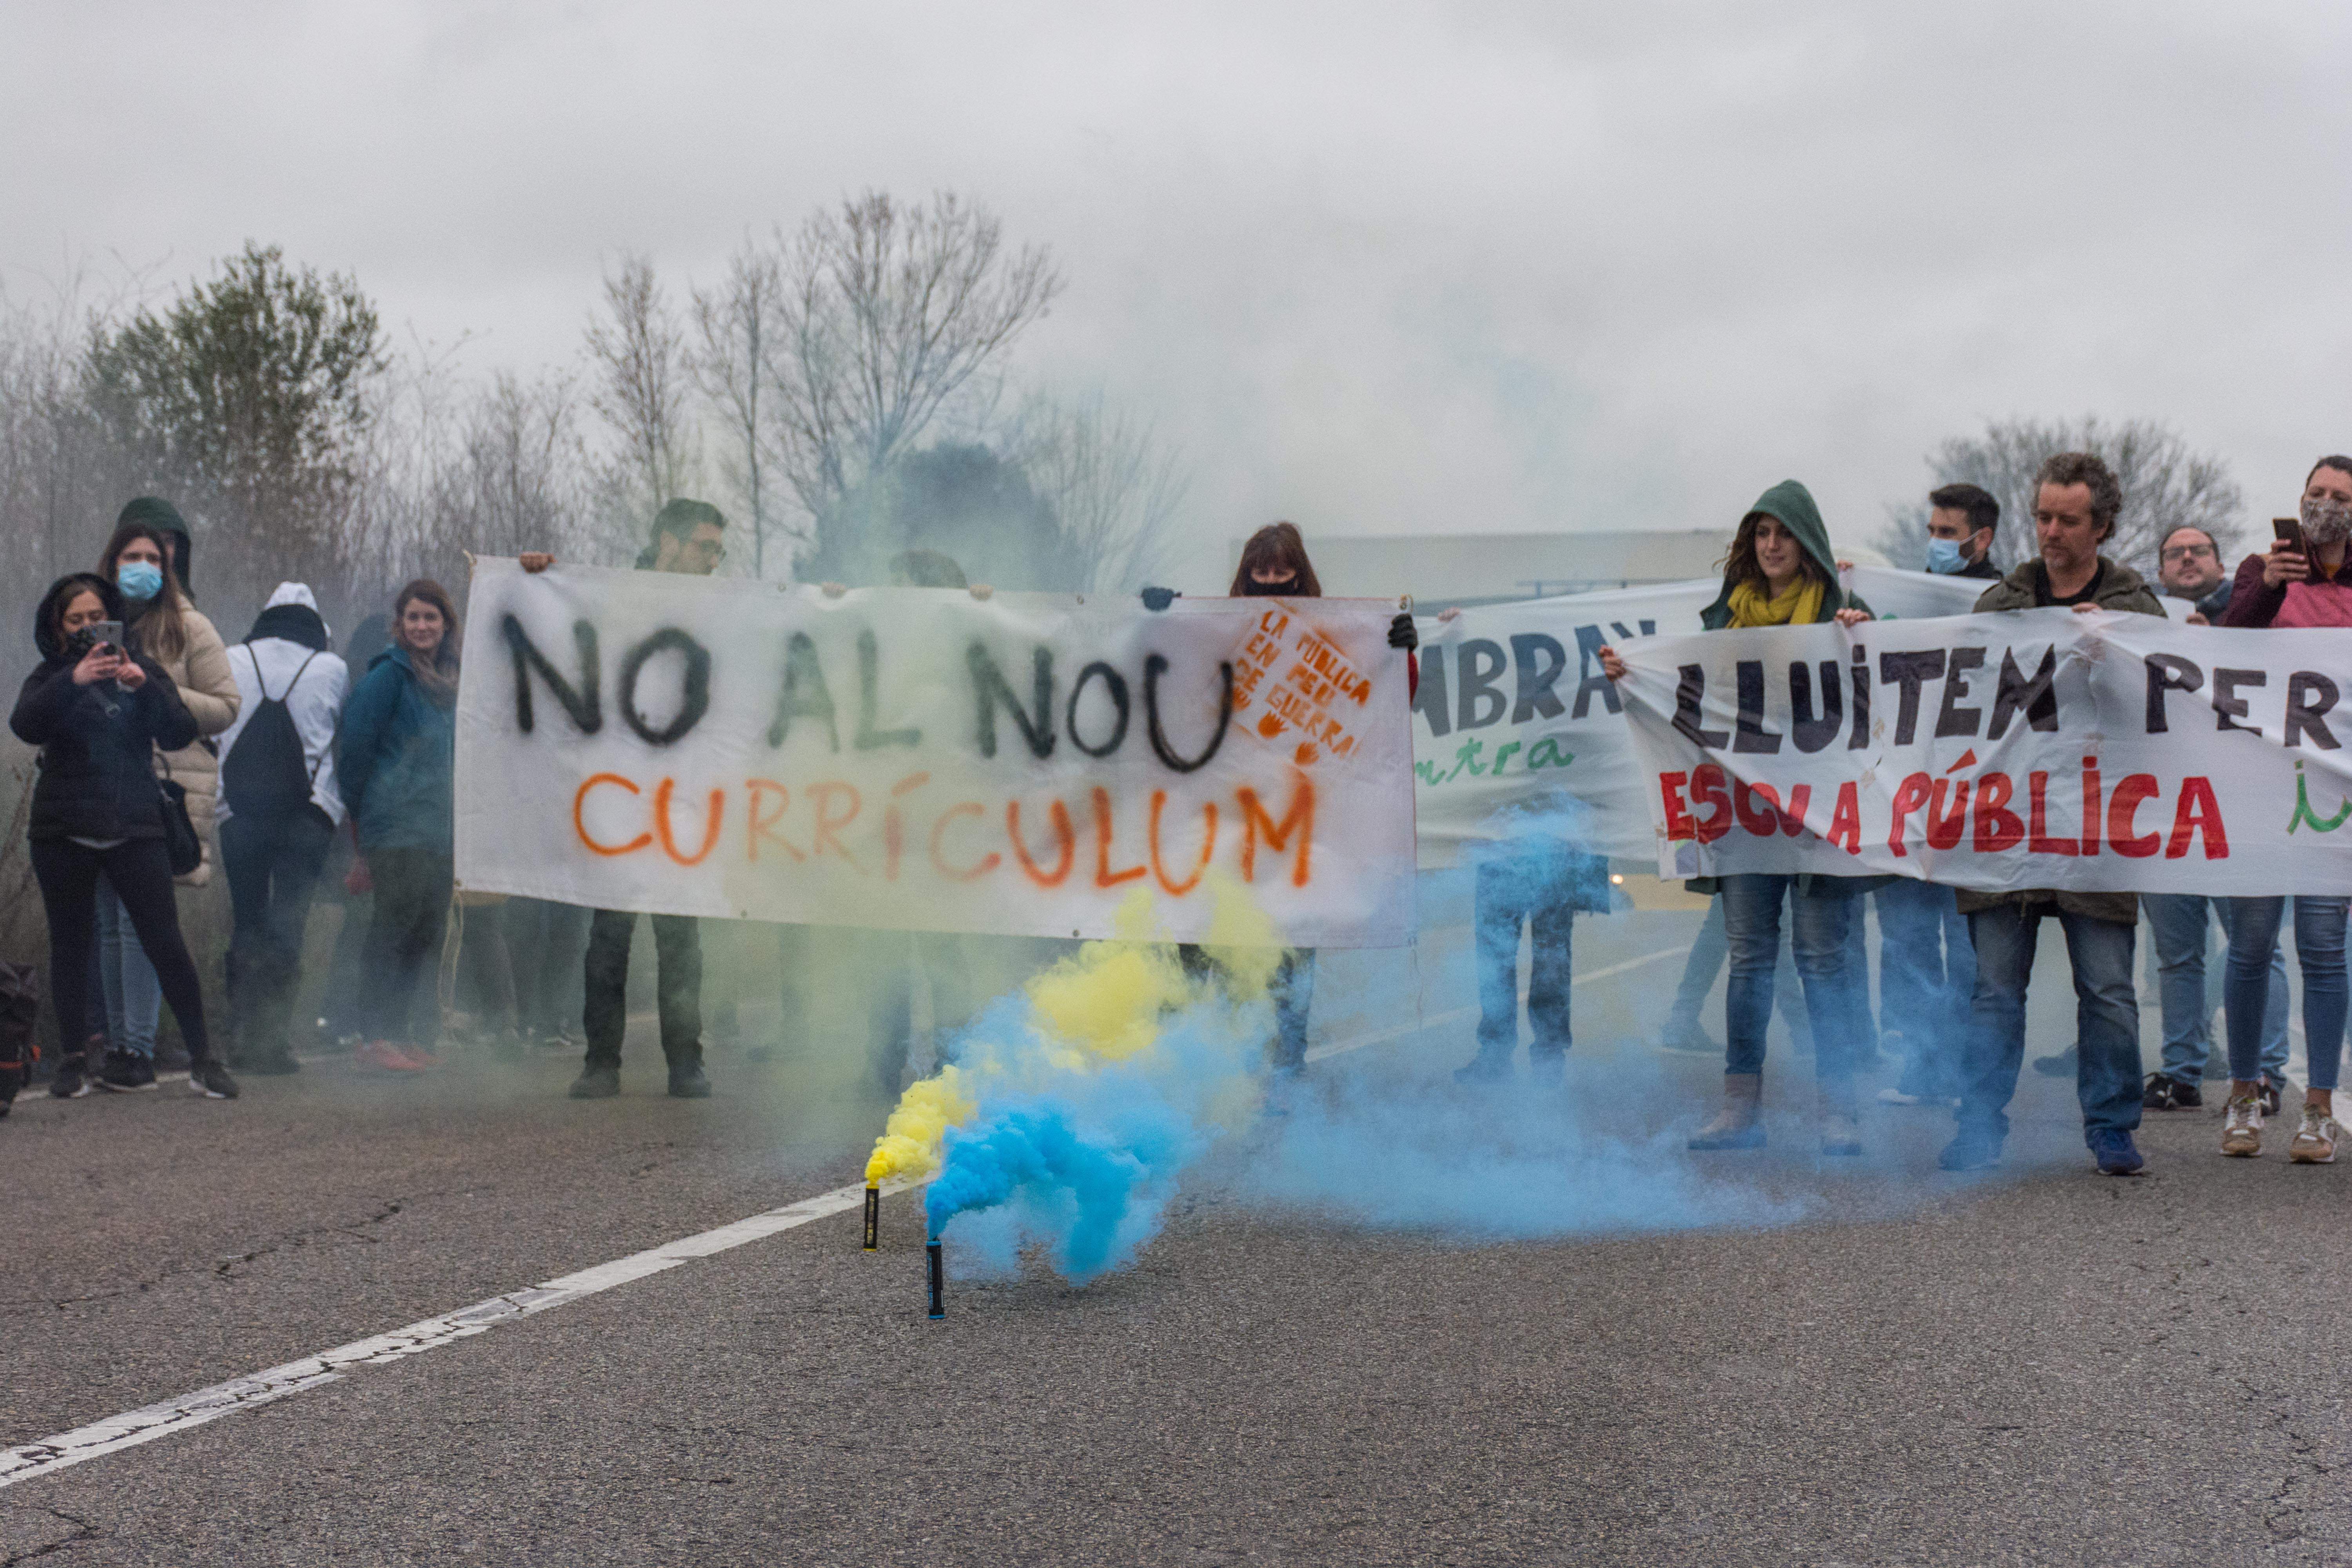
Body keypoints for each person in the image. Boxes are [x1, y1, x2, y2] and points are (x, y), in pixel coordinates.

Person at [1598, 481, 1878, 1155]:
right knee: (1751, 958)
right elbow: (1685, 699)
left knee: (1822, 960)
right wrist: (1631, 675)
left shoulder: (1847, 614)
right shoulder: (1723, 627)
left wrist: (1867, 639)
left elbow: (1892, 688)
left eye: (1783, 532)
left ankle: (1837, 1110)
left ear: (1806, 541)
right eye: (1761, 534)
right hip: (1748, 819)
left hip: (1818, 821)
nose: (1772, 545)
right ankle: (1739, 1109)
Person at [1940, 452, 2163, 1176]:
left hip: (2097, 827)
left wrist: (2120, 650)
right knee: (1995, 992)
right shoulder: (1999, 607)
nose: (2051, 532)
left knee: (2107, 990)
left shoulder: (2138, 608)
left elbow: (2168, 709)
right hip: (2007, 826)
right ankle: (1978, 1125)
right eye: (2042, 517)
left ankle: (2112, 1129)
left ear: (2101, 525)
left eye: (2068, 520)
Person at [1147, 521, 1419, 1083]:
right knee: (1200, 946)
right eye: (1261, 571)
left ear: (1302, 574)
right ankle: (1203, 1073)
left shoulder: (1336, 636)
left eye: (1282, 571)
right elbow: (1157, 677)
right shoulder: (1213, 634)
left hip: (1299, 832)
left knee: (1292, 953)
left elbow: (1383, 707)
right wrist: (1157, 619)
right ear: (1244, 575)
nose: (1272, 581)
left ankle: (1283, 1076)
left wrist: (1400, 655)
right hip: (1220, 824)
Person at [521, 499, 726, 1099]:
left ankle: (686, 1062)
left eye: (719, 551)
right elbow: (555, 634)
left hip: (684, 795)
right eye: (703, 548)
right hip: (619, 793)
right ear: (668, 541)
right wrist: (537, 579)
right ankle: (601, 1062)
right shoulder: (607, 594)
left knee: (680, 939)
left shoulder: (726, 607)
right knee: (610, 933)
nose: (713, 562)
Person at [13, 573, 237, 1099]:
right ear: (58, 627)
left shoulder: (142, 670)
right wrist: (75, 680)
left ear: (113, 620)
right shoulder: (51, 674)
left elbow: (182, 731)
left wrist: (142, 685)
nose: (89, 629)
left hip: (134, 823)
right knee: (70, 943)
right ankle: (72, 1060)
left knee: (164, 940)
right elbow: (25, 725)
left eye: (97, 618)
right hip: (63, 828)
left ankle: (205, 1058)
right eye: (76, 621)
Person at [2206, 455, 2352, 1161]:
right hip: (2264, 783)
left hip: (2332, 793)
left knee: (2324, 948)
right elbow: (2228, 646)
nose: (2324, 505)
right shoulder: (2257, 570)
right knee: (2253, 943)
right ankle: (2245, 1094)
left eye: (2339, 497)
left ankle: (2318, 1110)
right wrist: (2265, 586)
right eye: (2315, 493)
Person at [90, 510, 241, 1089]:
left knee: (138, 920)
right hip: (97, 785)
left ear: (170, 567)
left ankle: (137, 1048)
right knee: (107, 920)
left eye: (154, 559)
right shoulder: (92, 618)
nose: (144, 568)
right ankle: (120, 1048)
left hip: (162, 784)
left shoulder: (189, 626)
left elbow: (227, 705)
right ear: (112, 562)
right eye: (132, 558)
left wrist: (151, 685)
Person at [215, 583, 348, 1075]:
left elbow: (218, 736)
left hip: (241, 814)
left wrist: (224, 807)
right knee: (289, 923)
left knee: (247, 920)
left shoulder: (233, 657)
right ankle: (273, 1041)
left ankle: (239, 1033)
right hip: (306, 818)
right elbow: (338, 742)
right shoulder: (331, 668)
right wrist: (330, 810)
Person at [339, 580, 463, 1074]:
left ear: (446, 624)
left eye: (431, 617)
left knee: (424, 931)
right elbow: (354, 750)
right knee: (391, 929)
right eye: (413, 617)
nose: (422, 626)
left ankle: (401, 1031)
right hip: (394, 826)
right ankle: (373, 1036)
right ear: (400, 624)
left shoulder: (452, 680)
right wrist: (363, 820)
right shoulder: (388, 677)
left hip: (439, 828)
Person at [1922, 482, 2003, 579]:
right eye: (1932, 531)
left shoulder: (2003, 594)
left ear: (1983, 539)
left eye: (1946, 532)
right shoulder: (1915, 591)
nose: (1934, 541)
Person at [2156, 523, 2232, 622]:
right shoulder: (2146, 621)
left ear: (2221, 570)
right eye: (2175, 554)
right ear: (2162, 577)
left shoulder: (2254, 609)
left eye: (2200, 551)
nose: (2187, 557)